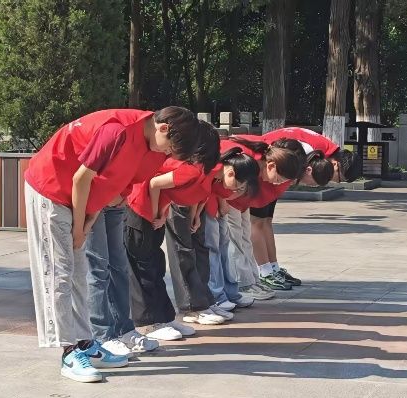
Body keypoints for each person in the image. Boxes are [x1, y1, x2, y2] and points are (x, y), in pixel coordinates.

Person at [24, 107, 199, 383]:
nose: (166, 154)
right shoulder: (116, 130)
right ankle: (68, 352)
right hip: (51, 187)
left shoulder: (151, 149)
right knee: (59, 273)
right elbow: (81, 178)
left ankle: (85, 343)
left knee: (78, 273)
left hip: (79, 199)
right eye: (169, 148)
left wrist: (87, 222)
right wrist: (79, 228)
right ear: (163, 128)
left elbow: (113, 189)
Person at [124, 121, 222, 341]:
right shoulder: (190, 169)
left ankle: (164, 317)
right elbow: (154, 184)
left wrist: (161, 213)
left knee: (155, 266)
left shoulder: (199, 168)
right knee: (143, 268)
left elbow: (175, 193)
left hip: (152, 213)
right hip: (139, 210)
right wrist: (156, 214)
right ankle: (147, 322)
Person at [249, 128, 359, 290]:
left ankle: (273, 268)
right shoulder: (313, 149)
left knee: (266, 221)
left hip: (274, 172)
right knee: (257, 222)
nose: (332, 180)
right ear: (335, 164)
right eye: (337, 178)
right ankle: (264, 272)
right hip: (266, 170)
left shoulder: (323, 149)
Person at [219, 135, 305, 299]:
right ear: (271, 165)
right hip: (226, 202)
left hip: (237, 203)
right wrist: (222, 200)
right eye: (278, 179)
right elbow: (222, 180)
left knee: (244, 238)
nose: (276, 184)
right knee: (235, 241)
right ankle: (241, 284)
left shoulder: (261, 160)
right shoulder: (248, 159)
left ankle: (251, 280)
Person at [202, 147, 260, 310]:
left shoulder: (223, 172)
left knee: (224, 248)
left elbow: (220, 190)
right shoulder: (210, 169)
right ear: (231, 173)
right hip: (206, 209)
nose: (236, 191)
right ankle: (217, 295)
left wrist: (222, 203)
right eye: (238, 186)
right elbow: (203, 192)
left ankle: (230, 292)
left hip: (216, 208)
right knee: (213, 251)